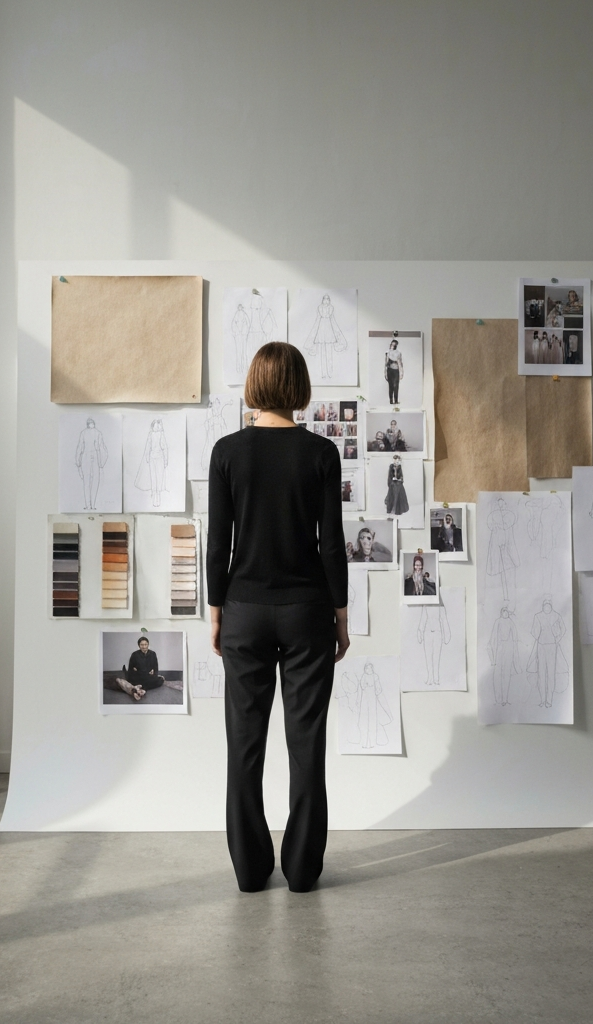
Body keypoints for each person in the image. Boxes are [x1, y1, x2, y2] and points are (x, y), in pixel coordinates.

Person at [207, 342, 349, 894]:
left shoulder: (226, 452)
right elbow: (332, 545)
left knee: (244, 744)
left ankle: (248, 869)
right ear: (300, 387)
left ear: (253, 383)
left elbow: (220, 544)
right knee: (305, 744)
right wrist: (340, 613)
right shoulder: (321, 453)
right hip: (307, 611)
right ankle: (302, 871)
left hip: (243, 609)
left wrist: (216, 612)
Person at [114, 636, 184, 701]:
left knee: (160, 680)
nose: (144, 647)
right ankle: (142, 689)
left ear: (148, 645)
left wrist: (154, 672)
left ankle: (141, 688)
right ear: (139, 645)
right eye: (142, 645)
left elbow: (155, 667)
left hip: (149, 676)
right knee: (135, 680)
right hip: (138, 676)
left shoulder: (153, 654)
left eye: (145, 644)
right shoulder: (134, 654)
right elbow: (131, 669)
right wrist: (135, 671)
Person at [384, 338, 404, 403]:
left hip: (396, 370)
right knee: (390, 386)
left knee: (396, 386)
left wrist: (401, 373)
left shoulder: (398, 353)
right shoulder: (387, 352)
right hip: (389, 370)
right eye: (392, 344)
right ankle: (391, 400)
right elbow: (386, 364)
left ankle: (396, 400)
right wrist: (385, 373)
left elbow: (400, 363)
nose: (392, 346)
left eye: (394, 345)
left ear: (396, 345)